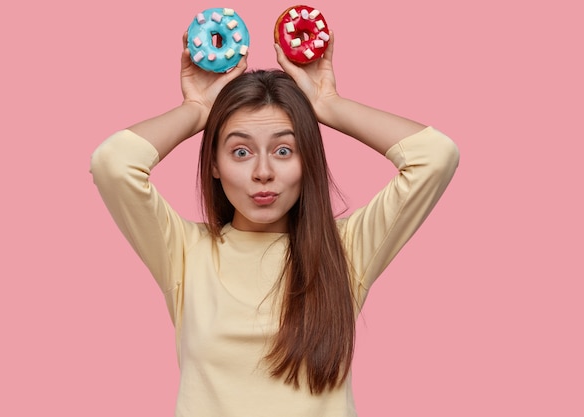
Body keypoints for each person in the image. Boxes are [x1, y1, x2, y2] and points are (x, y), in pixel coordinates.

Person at [90, 31, 459, 416]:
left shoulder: (345, 251)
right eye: (241, 151)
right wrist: (198, 109)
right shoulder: (185, 253)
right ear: (214, 164)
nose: (263, 172)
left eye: (284, 150)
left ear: (308, 160)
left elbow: (434, 156)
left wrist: (327, 104)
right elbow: (114, 164)